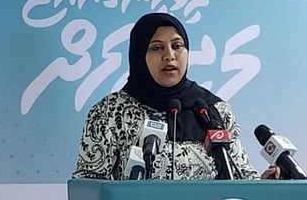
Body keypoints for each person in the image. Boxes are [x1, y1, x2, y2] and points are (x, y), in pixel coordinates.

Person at [72, 12, 279, 180]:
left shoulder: (213, 110)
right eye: (157, 48)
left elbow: (241, 177)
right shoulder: (109, 113)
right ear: (139, 55)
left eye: (177, 46)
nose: (169, 55)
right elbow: (89, 189)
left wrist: (265, 183)